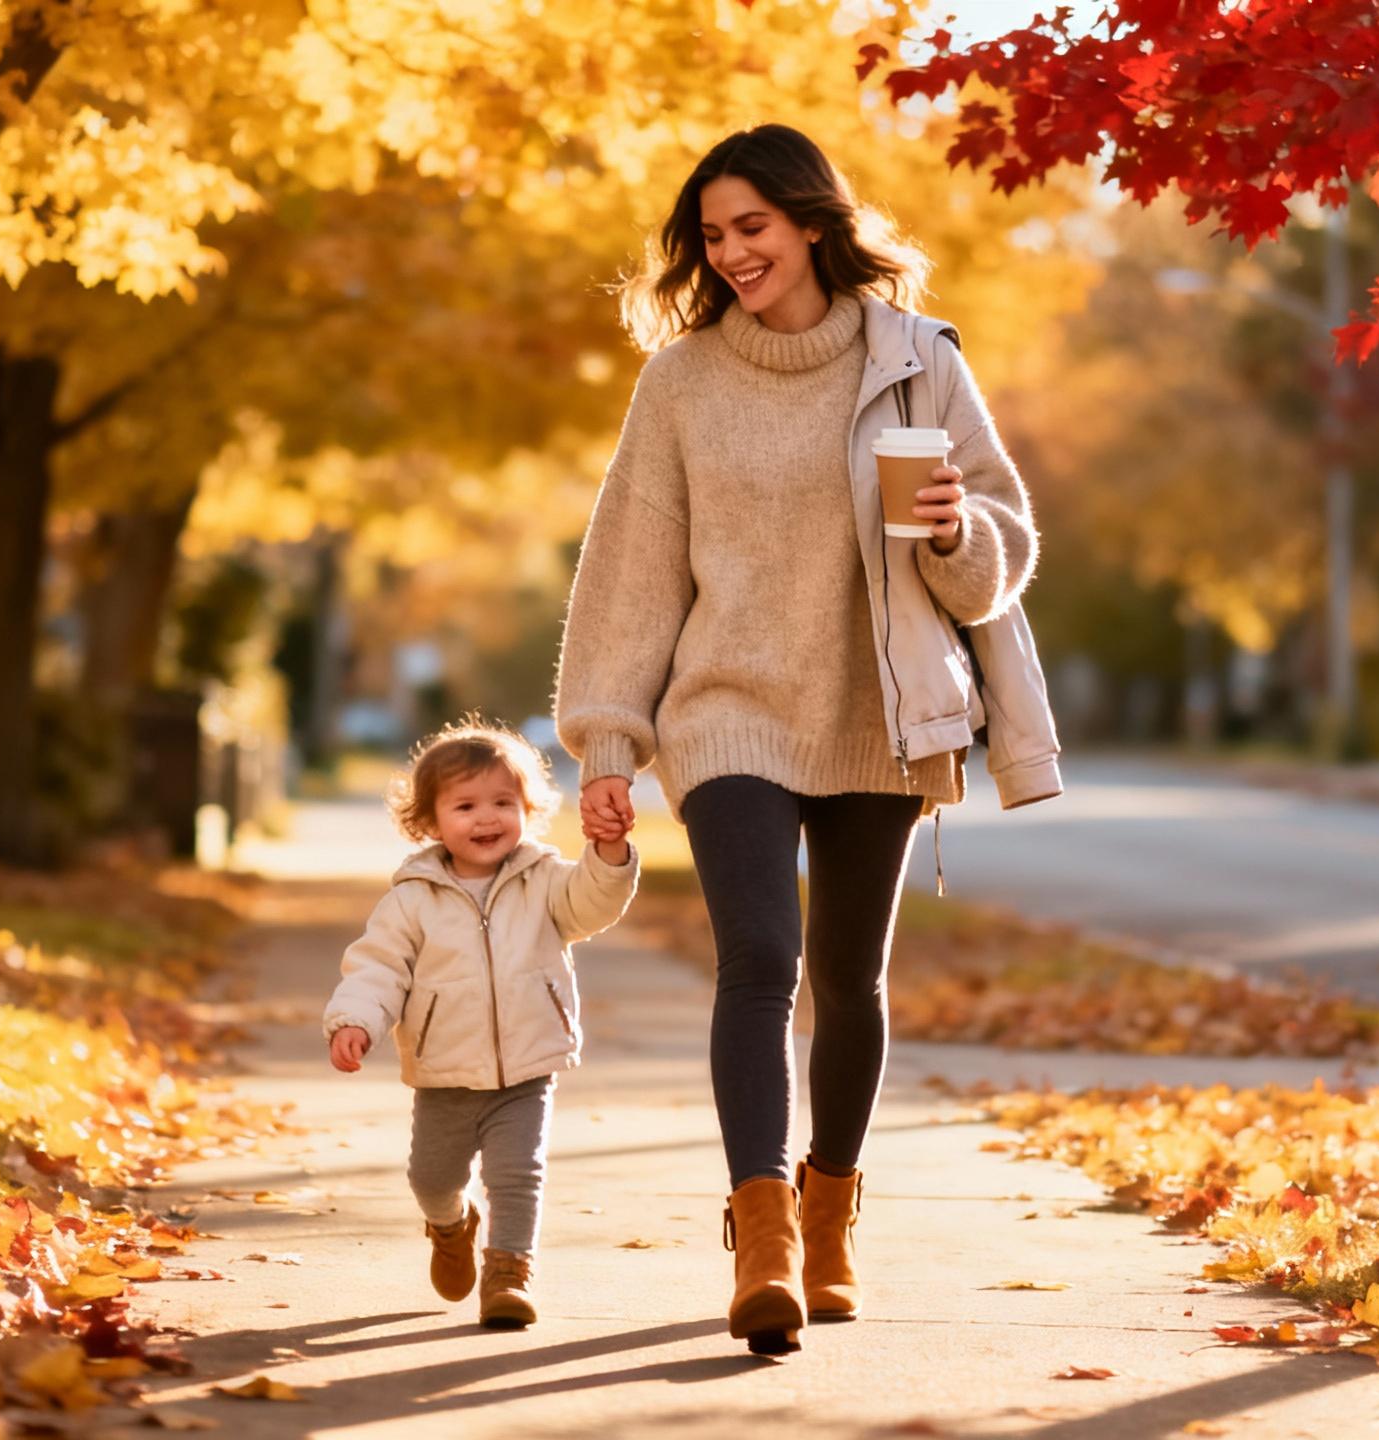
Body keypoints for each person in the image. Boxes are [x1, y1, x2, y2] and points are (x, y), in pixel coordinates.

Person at [554, 124, 1038, 1355]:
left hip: (877, 705)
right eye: (712, 237)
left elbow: (1001, 552)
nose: (730, 255)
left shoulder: (918, 361)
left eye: (751, 228)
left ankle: (830, 1221)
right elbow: (631, 571)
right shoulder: (681, 382)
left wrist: (950, 532)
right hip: (726, 711)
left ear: (811, 222)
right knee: (758, 958)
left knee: (849, 980)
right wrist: (607, 740)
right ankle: (761, 1239)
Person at [322, 718, 639, 1329]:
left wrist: (609, 855)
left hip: (527, 1066)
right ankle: (450, 1224)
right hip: (445, 1073)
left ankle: (508, 1274)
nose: (486, 818)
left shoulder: (544, 880)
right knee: (431, 1178)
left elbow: (592, 906)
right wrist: (353, 1019)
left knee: (517, 1174)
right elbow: (378, 969)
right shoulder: (412, 899)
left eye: (502, 803)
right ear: (430, 821)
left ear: (527, 809)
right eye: (465, 806)